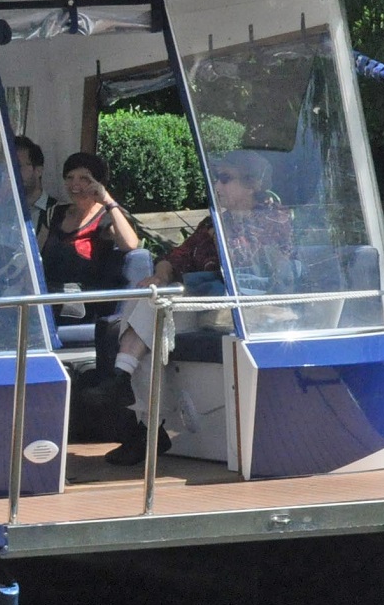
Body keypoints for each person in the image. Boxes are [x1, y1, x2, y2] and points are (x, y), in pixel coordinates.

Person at [105, 150, 292, 465]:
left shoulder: (274, 218)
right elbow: (177, 256)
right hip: (209, 303)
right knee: (151, 307)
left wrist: (229, 240)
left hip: (247, 306)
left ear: (252, 185)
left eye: (225, 178)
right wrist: (160, 274)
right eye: (218, 178)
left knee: (150, 325)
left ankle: (141, 417)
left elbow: (261, 267)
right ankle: (128, 390)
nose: (218, 186)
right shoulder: (214, 222)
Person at [40, 151, 142, 305]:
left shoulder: (106, 218)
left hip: (82, 303)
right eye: (70, 177)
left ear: (97, 183)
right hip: (47, 296)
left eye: (84, 179)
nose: (75, 184)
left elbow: (130, 244)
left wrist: (107, 200)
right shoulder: (55, 213)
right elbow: (37, 254)